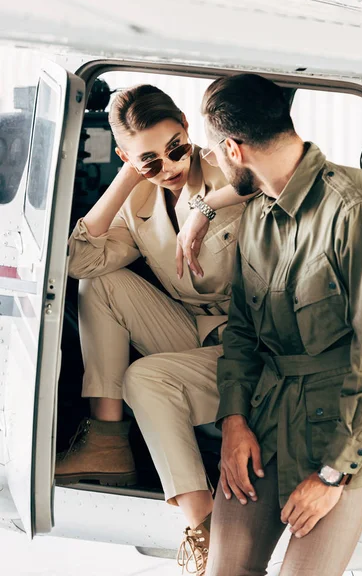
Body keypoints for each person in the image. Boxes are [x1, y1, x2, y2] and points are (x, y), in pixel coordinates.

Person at [193, 73, 362, 576]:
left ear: (232, 149)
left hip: (345, 431)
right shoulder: (257, 215)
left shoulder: (357, 210)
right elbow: (241, 333)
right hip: (265, 415)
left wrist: (333, 475)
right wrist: (235, 420)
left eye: (214, 154)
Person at [55, 84, 252, 575]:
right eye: (149, 160)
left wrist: (205, 210)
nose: (169, 167)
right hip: (194, 334)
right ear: (126, 157)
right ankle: (106, 438)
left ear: (187, 128)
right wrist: (128, 177)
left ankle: (206, 531)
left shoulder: (229, 172)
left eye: (176, 148)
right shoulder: (140, 194)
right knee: (99, 285)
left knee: (146, 376)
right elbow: (82, 261)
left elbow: (276, 180)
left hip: (247, 344)